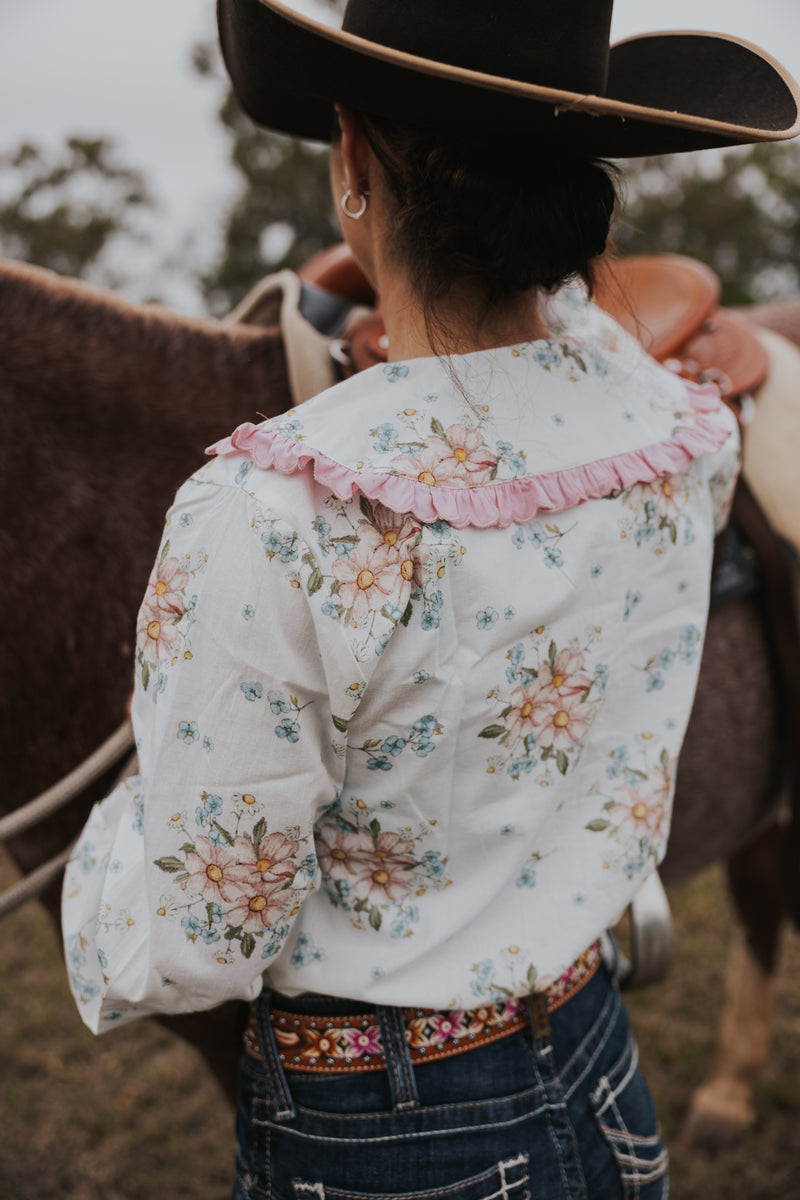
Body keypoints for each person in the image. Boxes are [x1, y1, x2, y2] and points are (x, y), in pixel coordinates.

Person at [62, 2, 799, 1197]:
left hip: (382, 1135)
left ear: (350, 163)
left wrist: (110, 849)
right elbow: (581, 340)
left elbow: (199, 940)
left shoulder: (273, 509)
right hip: (600, 1066)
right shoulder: (678, 433)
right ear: (584, 182)